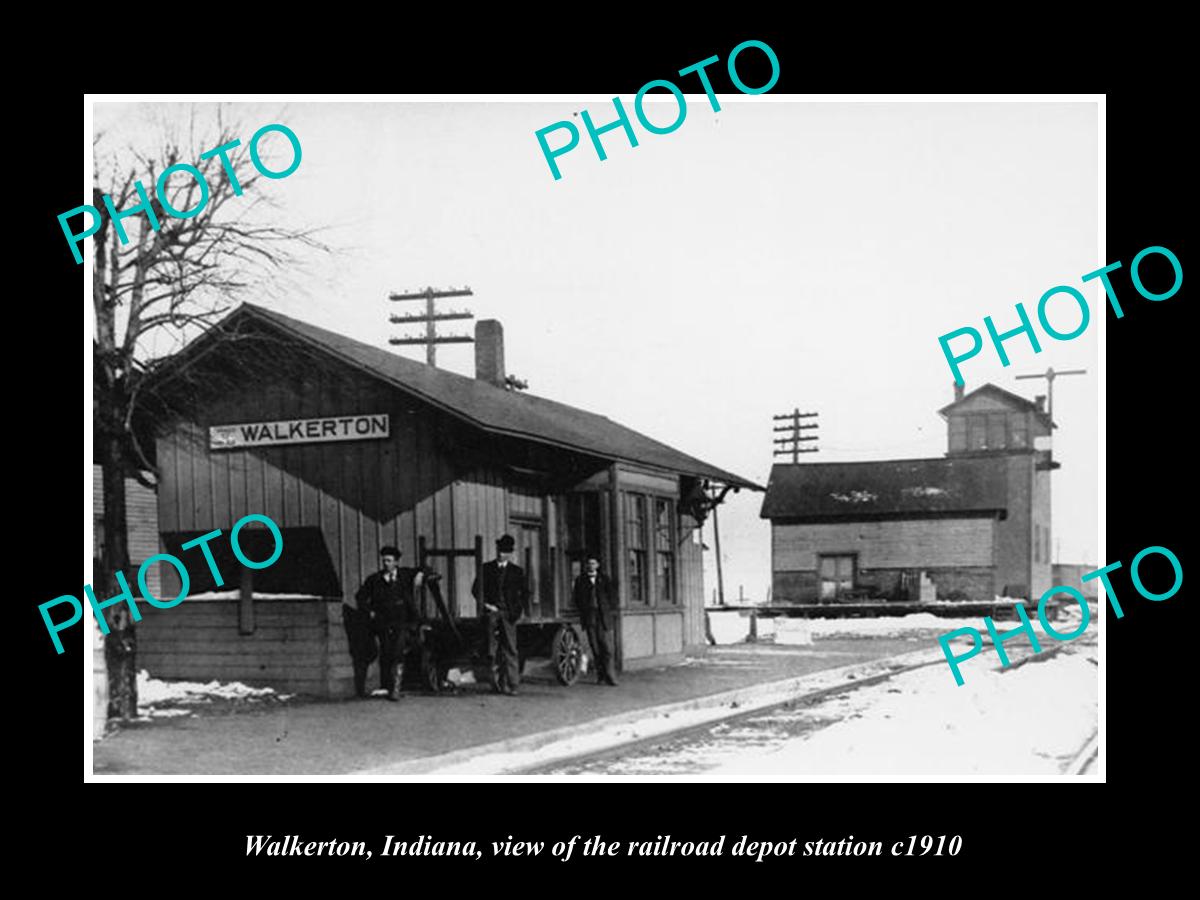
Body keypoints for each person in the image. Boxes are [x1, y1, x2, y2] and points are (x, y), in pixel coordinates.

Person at [354, 545, 427, 701]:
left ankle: (396, 689)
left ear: (396, 562)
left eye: (389, 560)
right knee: (387, 652)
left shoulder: (405, 575)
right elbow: (360, 597)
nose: (385, 563)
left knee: (398, 651)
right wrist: (369, 611)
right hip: (383, 623)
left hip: (403, 621)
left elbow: (425, 568)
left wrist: (420, 574)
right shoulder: (375, 580)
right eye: (384, 560)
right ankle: (388, 686)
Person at [471, 534, 529, 696]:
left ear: (510, 553)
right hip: (492, 611)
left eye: (505, 552)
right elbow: (476, 589)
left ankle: (513, 684)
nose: (501, 554)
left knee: (510, 648)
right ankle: (490, 653)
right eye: (500, 550)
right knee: (490, 627)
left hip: (508, 614)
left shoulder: (517, 571)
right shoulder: (486, 568)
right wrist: (486, 605)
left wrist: (516, 612)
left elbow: (525, 593)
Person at [572, 554, 619, 686]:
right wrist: (584, 610)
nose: (591, 565)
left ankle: (611, 676)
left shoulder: (604, 579)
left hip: (603, 617)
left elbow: (613, 597)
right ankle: (601, 676)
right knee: (595, 648)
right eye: (589, 563)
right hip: (590, 617)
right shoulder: (580, 580)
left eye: (593, 563)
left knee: (607, 648)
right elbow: (577, 598)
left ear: (597, 565)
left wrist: (607, 610)